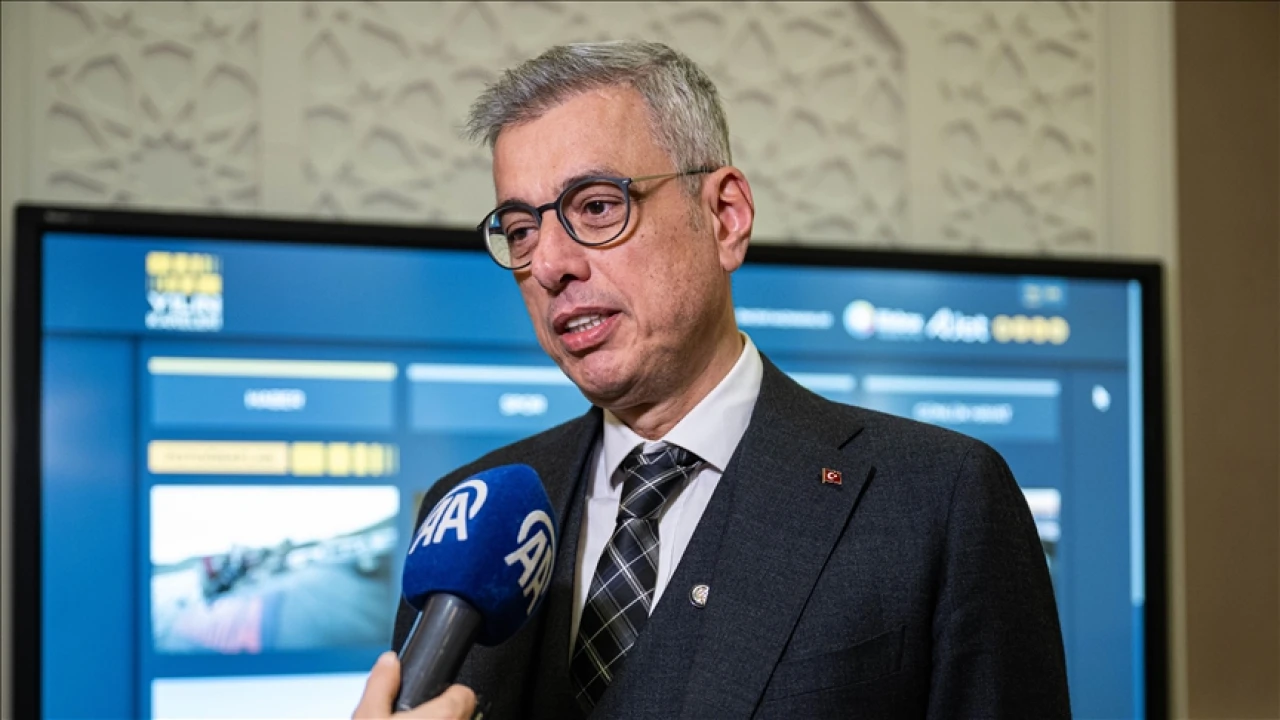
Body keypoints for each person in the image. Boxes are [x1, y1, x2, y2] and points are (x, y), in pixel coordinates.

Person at [357, 40, 1070, 720]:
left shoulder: (939, 499)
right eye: (520, 230)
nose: (549, 264)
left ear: (725, 217)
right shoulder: (465, 514)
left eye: (597, 207)